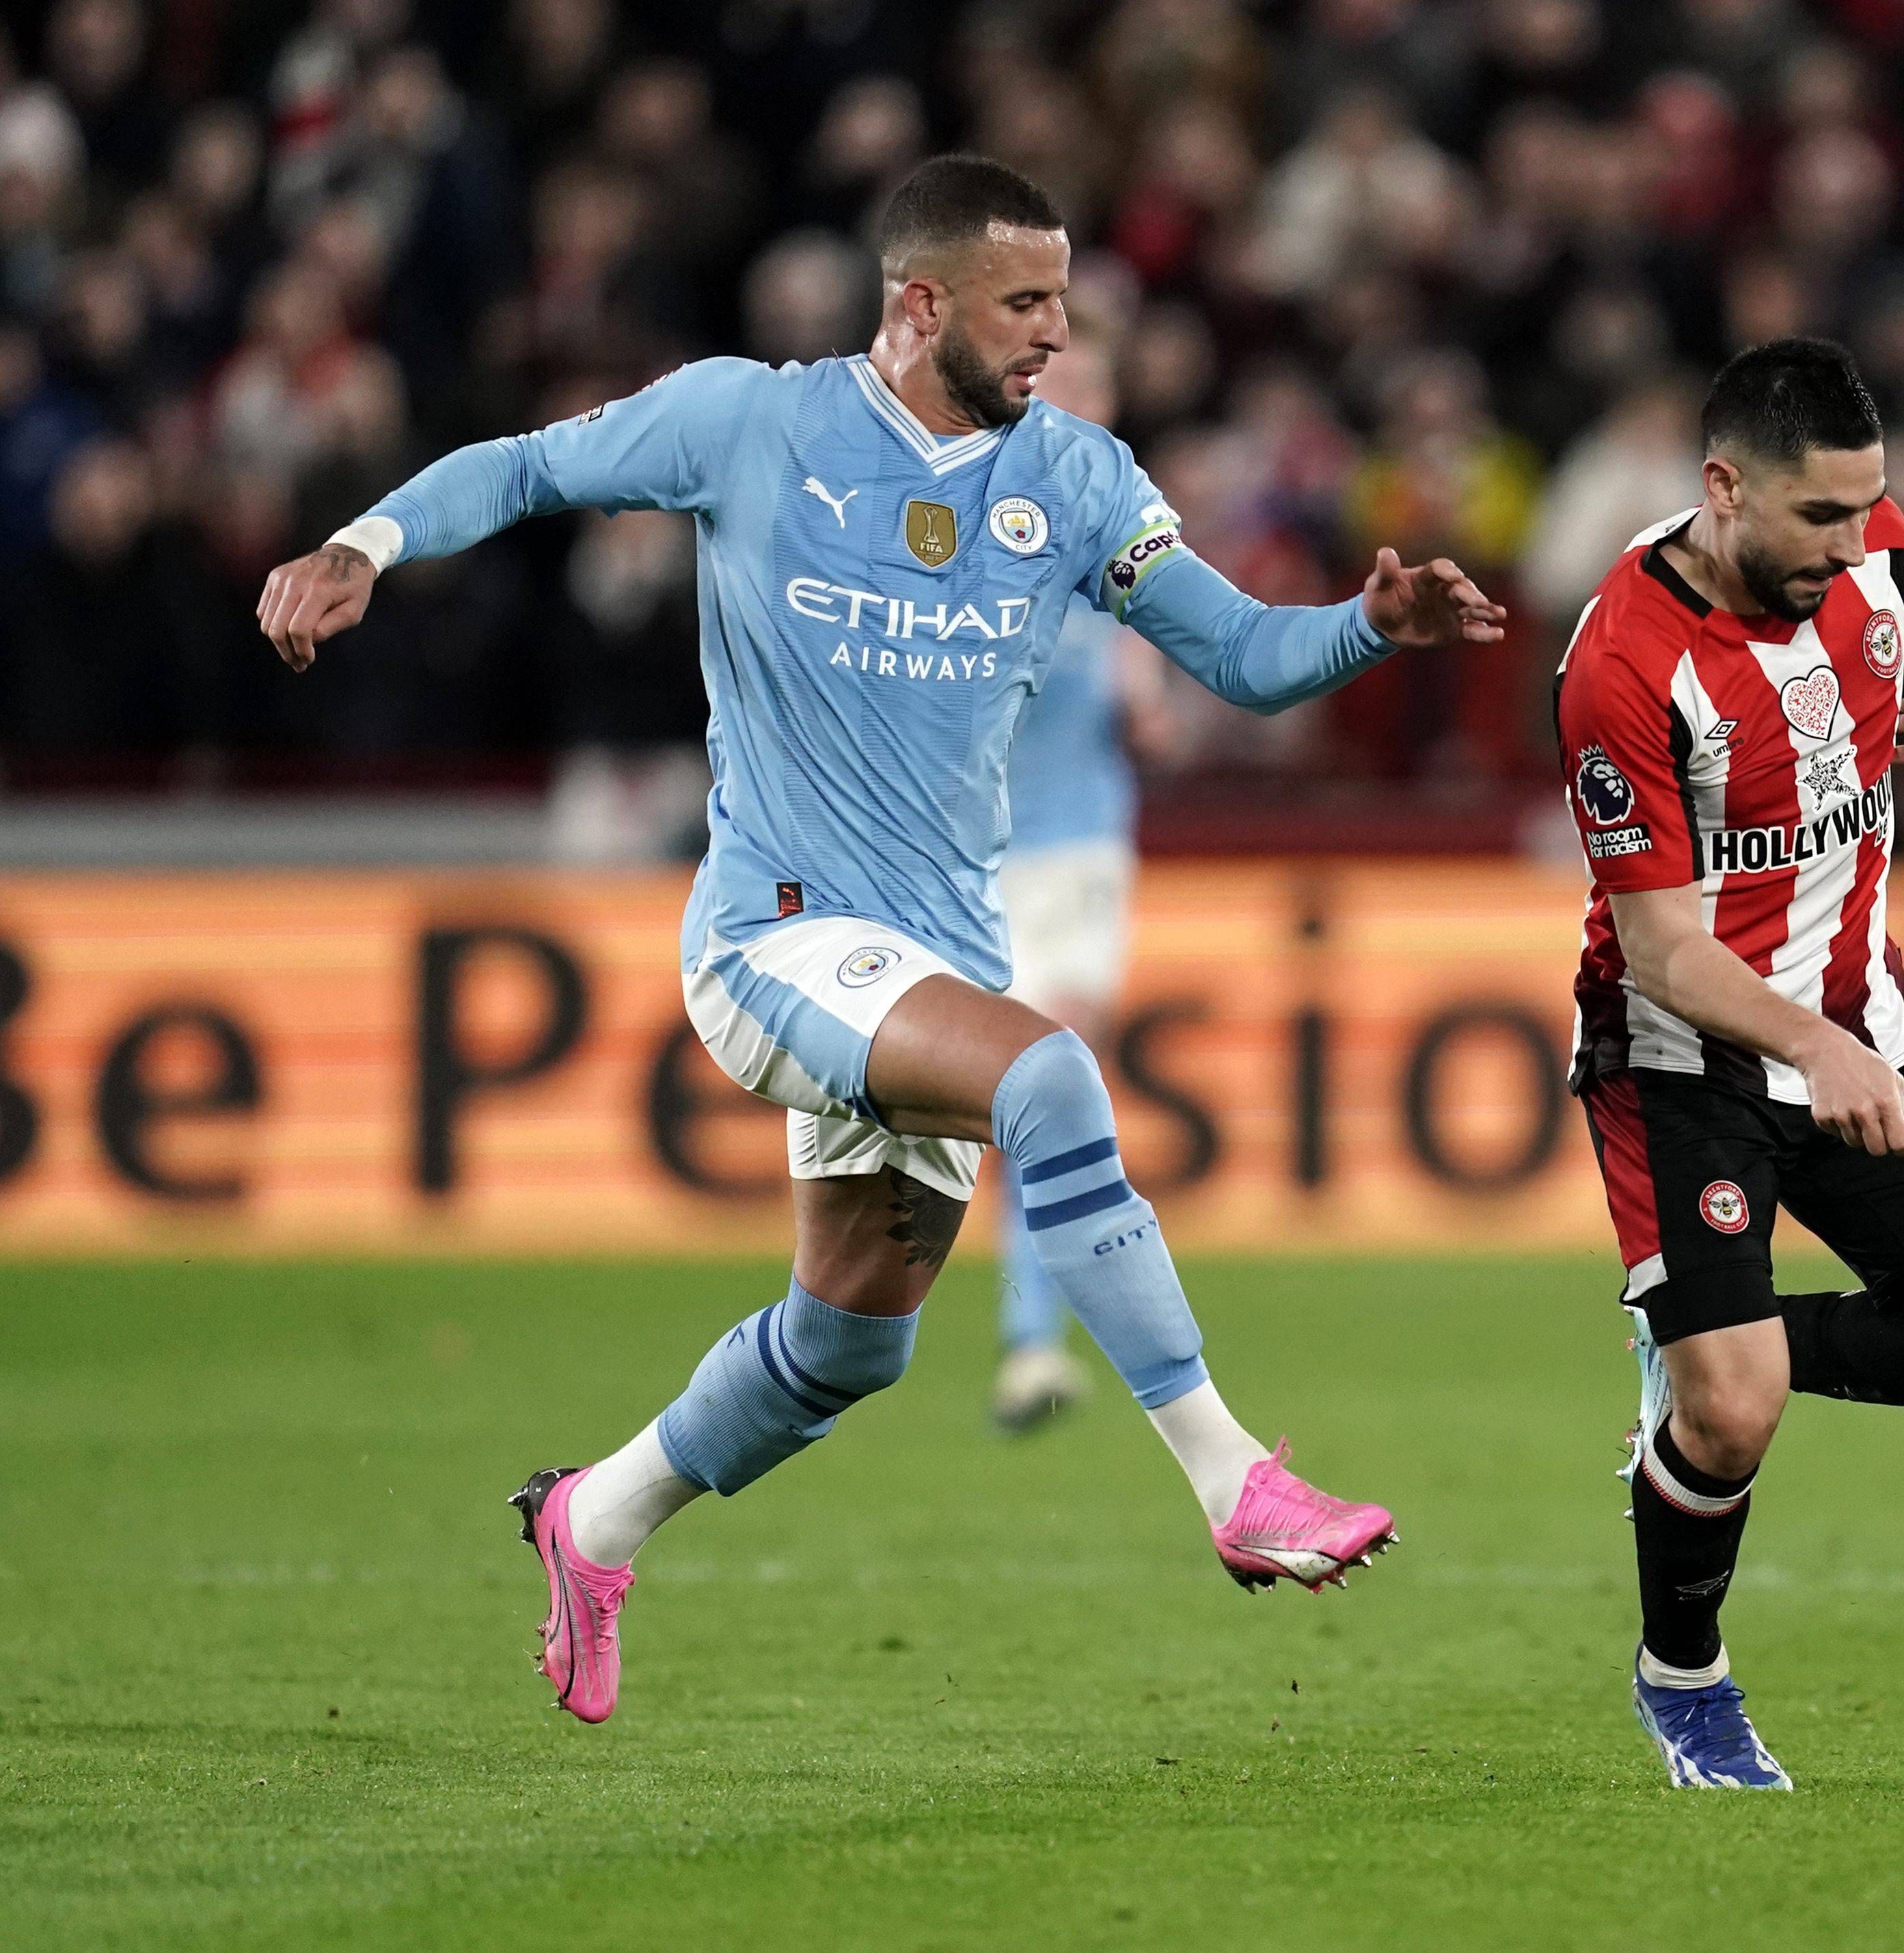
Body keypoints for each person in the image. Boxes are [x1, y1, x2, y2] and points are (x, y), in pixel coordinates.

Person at [254, 154, 1504, 1724]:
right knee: (1051, 1078)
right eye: (1026, 303)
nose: (1057, 331)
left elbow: (1244, 658)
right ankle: (1235, 1480)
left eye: (1064, 298)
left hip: (932, 962)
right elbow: (520, 469)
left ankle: (597, 1518)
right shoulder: (750, 422)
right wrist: (360, 546)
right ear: (922, 305)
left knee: (849, 1344)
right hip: (773, 937)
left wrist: (1366, 631)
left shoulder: (1080, 478)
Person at [1552, 339, 1904, 1790]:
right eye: (1820, 520)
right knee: (1733, 1414)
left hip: (1861, 1018)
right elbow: (1664, 950)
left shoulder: (1859, 550)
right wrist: (1806, 1042)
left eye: (1868, 510)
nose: (1852, 547)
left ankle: (1699, 1336)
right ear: (1722, 489)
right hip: (1681, 1056)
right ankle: (1687, 1680)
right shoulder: (1622, 661)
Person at [990, 337, 1167, 1432]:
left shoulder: (1126, 527)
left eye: (1100, 390)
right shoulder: (970, 521)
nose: (1086, 408)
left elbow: (1149, 701)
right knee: (1009, 1102)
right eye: (1067, 387)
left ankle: (1031, 1342)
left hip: (1077, 845)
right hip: (971, 853)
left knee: (1049, 1080)